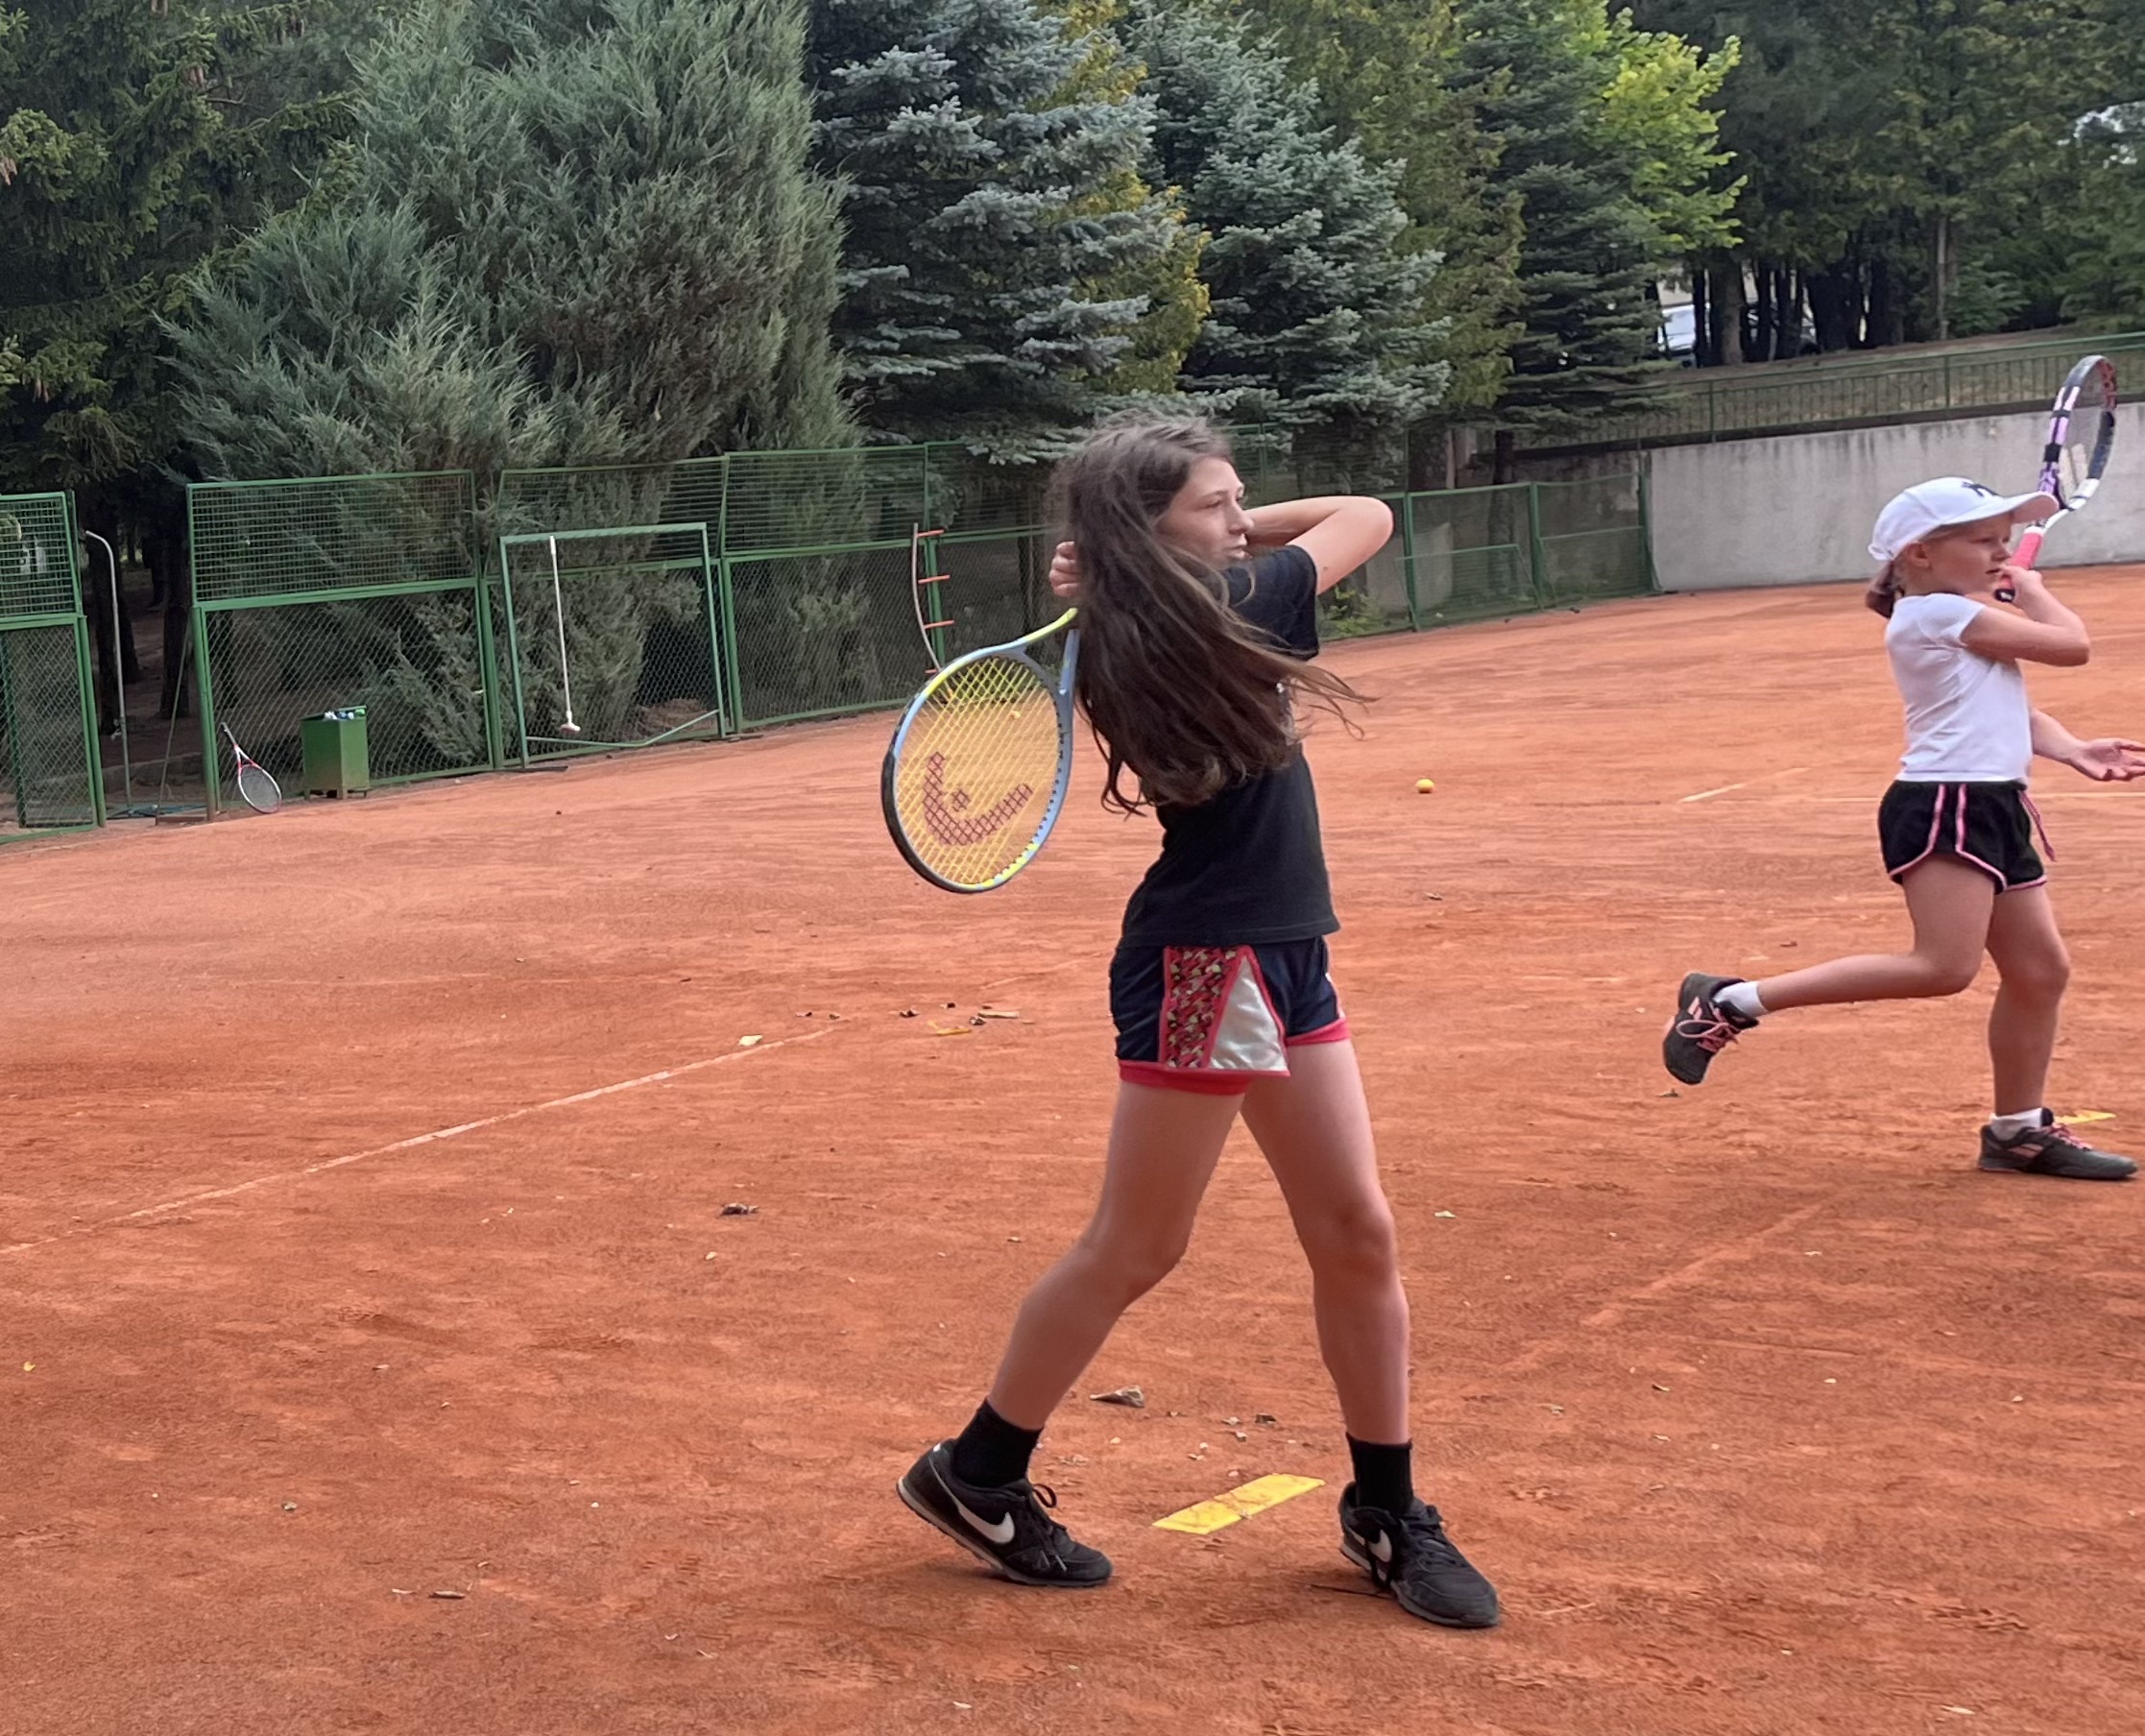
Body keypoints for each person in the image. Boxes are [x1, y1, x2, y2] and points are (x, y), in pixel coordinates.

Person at [896, 416, 1501, 1628]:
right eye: (1215, 505)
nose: (1239, 520)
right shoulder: (1227, 602)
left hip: (1278, 951)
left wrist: (1137, 553)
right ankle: (978, 1469)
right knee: (1135, 1243)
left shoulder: (1144, 612)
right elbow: (1367, 513)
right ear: (1153, 533)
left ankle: (1386, 1507)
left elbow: (1294, 530)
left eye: (1239, 503)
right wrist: (1190, 548)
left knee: (1355, 1231)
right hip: (1210, 962)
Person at [1665, 477, 2144, 1181]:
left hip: (1993, 803)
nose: (2002, 552)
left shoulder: (1954, 615)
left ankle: (2017, 1132)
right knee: (1943, 968)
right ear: (1920, 554)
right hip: (1946, 804)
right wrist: (2034, 591)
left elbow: (2003, 706)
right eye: (1984, 540)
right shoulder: (1937, 614)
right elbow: (2072, 647)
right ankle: (1732, 1001)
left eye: (2006, 539)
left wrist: (2070, 747)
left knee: (2040, 971)